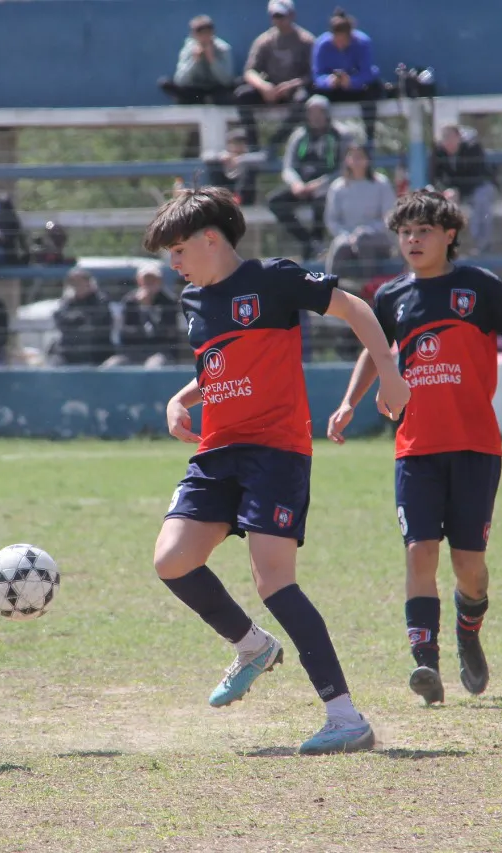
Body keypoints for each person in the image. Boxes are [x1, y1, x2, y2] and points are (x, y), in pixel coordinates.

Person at [142, 186, 410, 755]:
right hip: (218, 451)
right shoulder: (194, 302)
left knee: (273, 579)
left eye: (178, 248)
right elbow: (220, 365)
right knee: (172, 560)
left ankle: (344, 717)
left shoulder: (273, 278)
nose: (173, 263)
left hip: (276, 450)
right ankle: (251, 647)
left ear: (210, 239)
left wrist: (388, 371)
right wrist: (182, 397)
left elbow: (355, 308)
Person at [327, 190, 502, 706]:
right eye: (405, 232)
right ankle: (426, 663)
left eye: (424, 230)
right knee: (419, 552)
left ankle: (470, 625)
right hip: (415, 447)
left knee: (469, 565)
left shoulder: (478, 287)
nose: (413, 240)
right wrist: (349, 402)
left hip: (474, 446)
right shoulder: (392, 296)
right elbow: (376, 353)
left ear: (449, 236)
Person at [268, 95, 346, 259]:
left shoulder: (338, 135)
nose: (315, 116)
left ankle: (317, 244)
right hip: (301, 187)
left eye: (319, 112)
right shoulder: (299, 136)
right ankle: (307, 241)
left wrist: (319, 184)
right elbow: (288, 167)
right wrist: (296, 184)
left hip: (324, 188)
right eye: (312, 112)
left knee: (322, 203)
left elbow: (342, 169)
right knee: (275, 201)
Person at [234, 0, 316, 152]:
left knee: (303, 100)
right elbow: (250, 71)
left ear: (292, 15)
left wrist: (291, 85)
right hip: (270, 91)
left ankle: (276, 142)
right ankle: (253, 144)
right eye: (275, 16)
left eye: (282, 16)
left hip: (294, 90)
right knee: (242, 95)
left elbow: (313, 74)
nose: (278, 20)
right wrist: (264, 87)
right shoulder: (264, 41)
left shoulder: (306, 40)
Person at [311, 7, 383, 151]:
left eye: (344, 40)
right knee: (312, 98)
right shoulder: (321, 45)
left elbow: (368, 72)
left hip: (356, 88)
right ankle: (319, 141)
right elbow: (317, 75)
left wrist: (351, 81)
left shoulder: (362, 43)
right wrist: (329, 81)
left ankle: (369, 140)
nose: (340, 45)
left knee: (372, 91)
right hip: (333, 89)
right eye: (336, 40)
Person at [323, 139, 395, 282]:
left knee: (364, 241)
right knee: (339, 247)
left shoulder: (381, 184)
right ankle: (331, 291)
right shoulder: (338, 187)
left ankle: (369, 289)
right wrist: (347, 235)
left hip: (377, 239)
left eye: (360, 156)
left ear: (368, 159)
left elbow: (389, 217)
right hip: (347, 238)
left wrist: (366, 231)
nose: (356, 161)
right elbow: (332, 220)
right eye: (352, 156)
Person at [430, 125, 497, 256]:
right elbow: (434, 177)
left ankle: (483, 245)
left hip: (478, 187)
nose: (447, 141)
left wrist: (458, 191)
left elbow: (479, 176)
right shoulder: (438, 152)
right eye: (444, 138)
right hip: (454, 191)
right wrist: (446, 190)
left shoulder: (473, 148)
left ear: (459, 137)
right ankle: (443, 248)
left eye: (450, 137)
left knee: (482, 200)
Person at [105, 262, 181, 368]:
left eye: (153, 280)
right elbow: (124, 332)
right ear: (139, 281)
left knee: (153, 366)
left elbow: (169, 333)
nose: (149, 283)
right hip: (134, 352)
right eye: (146, 280)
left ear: (160, 281)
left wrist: (148, 310)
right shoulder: (130, 301)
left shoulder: (169, 301)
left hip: (160, 352)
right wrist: (142, 309)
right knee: (111, 365)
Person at [160, 15, 236, 105]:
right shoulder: (188, 49)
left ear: (213, 33)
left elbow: (227, 80)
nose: (204, 38)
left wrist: (212, 60)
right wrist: (194, 61)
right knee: (165, 83)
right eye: (200, 34)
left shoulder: (223, 49)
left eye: (207, 33)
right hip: (195, 90)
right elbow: (180, 81)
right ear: (193, 35)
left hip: (217, 88)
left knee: (235, 87)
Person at [53, 266, 114, 366]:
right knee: (54, 363)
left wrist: (75, 320)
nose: (77, 285)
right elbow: (60, 320)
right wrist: (79, 318)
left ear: (89, 282)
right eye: (73, 282)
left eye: (80, 281)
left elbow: (93, 323)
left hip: (97, 354)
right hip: (69, 354)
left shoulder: (100, 299)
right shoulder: (67, 301)